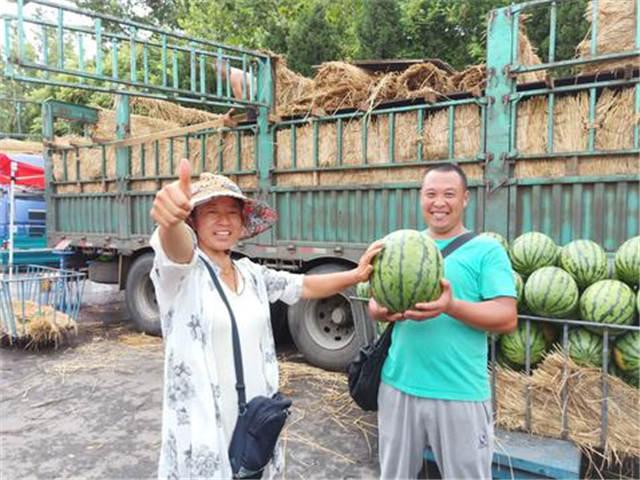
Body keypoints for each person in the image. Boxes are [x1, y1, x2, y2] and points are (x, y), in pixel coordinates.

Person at [150, 158, 382, 479]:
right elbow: (174, 250)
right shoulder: (183, 277)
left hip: (254, 424)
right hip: (205, 427)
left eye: (232, 212)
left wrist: (355, 275)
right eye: (211, 211)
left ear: (243, 222)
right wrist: (169, 222)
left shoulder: (251, 273)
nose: (223, 220)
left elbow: (304, 285)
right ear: (194, 220)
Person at [369, 163, 518, 480]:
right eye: (431, 194)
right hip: (397, 386)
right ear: (420, 198)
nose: (439, 202)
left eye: (449, 194)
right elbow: (374, 304)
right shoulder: (398, 244)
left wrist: (450, 306)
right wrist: (384, 311)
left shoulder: (487, 250)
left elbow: (506, 317)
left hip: (459, 392)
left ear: (465, 199)